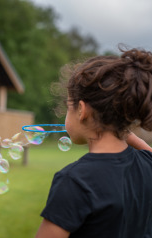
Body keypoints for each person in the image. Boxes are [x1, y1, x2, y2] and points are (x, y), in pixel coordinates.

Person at [36, 47, 152, 238]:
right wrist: (122, 129)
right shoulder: (147, 165)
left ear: (81, 110)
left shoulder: (75, 181)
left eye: (68, 107)